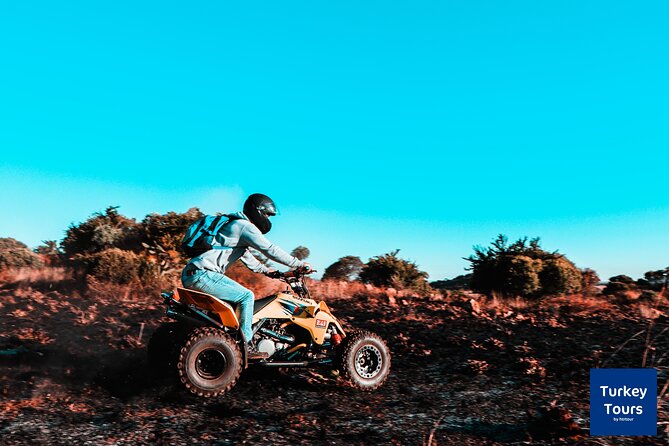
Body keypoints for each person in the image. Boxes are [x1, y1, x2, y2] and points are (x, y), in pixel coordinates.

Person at [181, 193, 310, 357]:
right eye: (268, 215)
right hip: (204, 274)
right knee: (246, 296)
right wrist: (298, 263)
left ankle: (227, 341)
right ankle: (245, 345)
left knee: (232, 308)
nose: (269, 219)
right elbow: (270, 250)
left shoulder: (234, 228)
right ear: (258, 211)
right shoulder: (244, 227)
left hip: (193, 273)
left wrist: (275, 274)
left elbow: (252, 262)